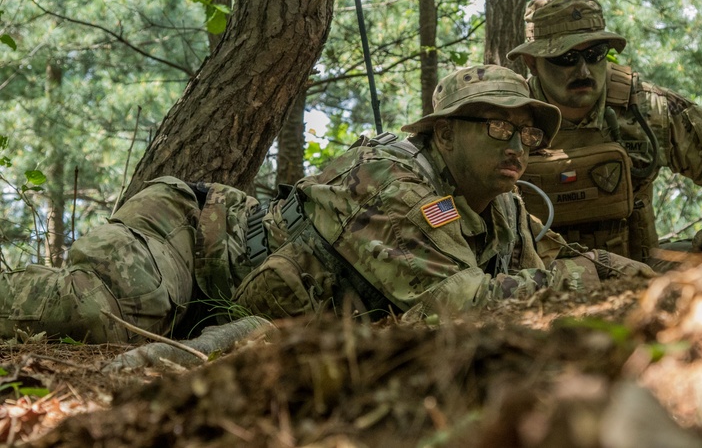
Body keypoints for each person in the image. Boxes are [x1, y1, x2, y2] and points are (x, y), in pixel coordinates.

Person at [0, 65, 650, 343]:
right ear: (446, 133)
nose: (521, 143)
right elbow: (461, 304)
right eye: (500, 126)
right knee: (107, 313)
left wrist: (644, 278)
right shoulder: (394, 177)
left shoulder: (502, 205)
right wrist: (590, 278)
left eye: (530, 131)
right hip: (193, 237)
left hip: (230, 310)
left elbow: (562, 260)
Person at [507, 0, 702, 267]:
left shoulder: (646, 108)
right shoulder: (506, 119)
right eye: (565, 58)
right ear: (531, 62)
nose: (584, 71)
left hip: (640, 273)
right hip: (536, 282)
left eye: (595, 54)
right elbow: (458, 199)